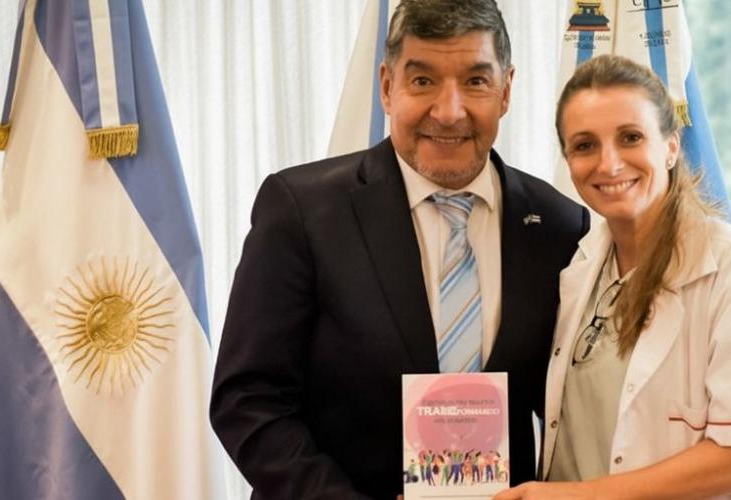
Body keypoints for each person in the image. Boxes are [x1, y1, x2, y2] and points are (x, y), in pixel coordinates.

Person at [209, 1, 589, 498]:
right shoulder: (301, 211)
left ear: (506, 90)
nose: (449, 112)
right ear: (387, 87)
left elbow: (569, 403)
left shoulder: (560, 226)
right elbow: (247, 399)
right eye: (423, 81)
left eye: (475, 81)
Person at [494, 55, 731, 499]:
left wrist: (580, 497)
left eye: (630, 137)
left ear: (671, 146)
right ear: (567, 159)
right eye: (585, 145)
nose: (609, 164)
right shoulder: (579, 267)